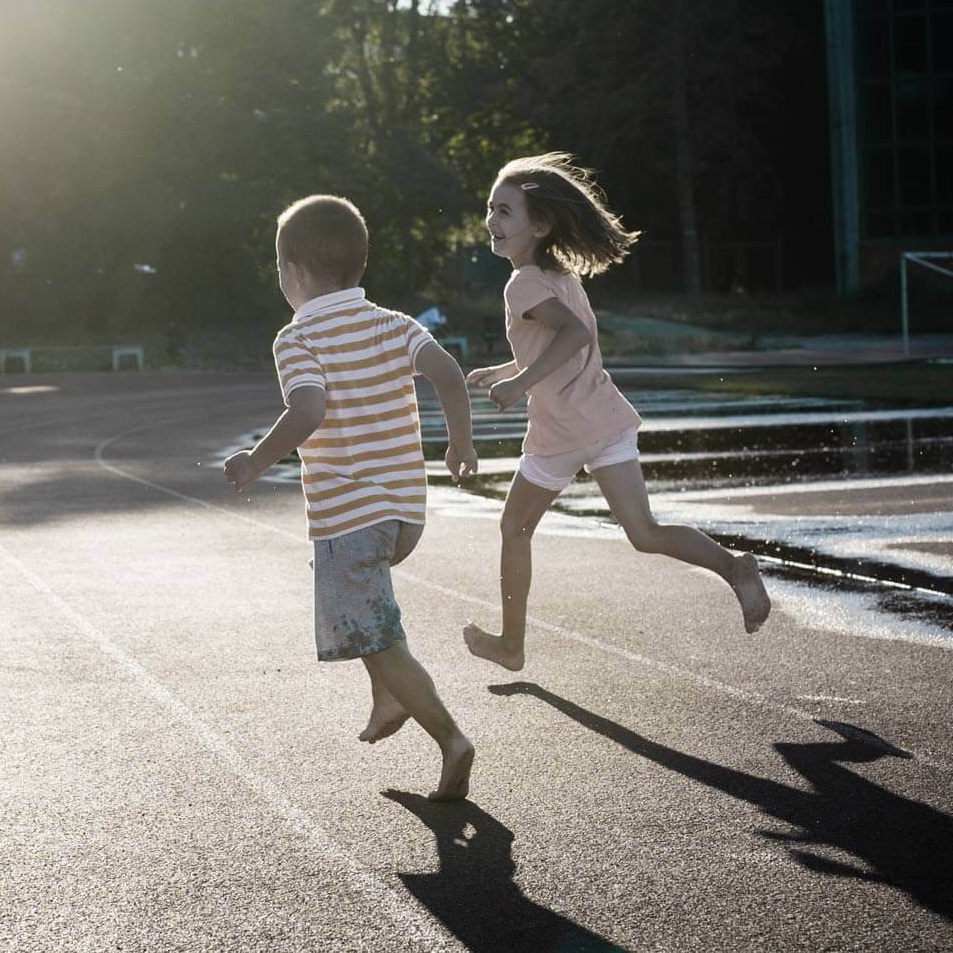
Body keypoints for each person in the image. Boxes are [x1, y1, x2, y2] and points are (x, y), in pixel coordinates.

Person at [461, 153, 771, 672]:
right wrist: (502, 371)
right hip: (604, 419)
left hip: (561, 431)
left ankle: (511, 645)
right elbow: (554, 345)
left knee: (514, 529)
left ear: (538, 225)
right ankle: (733, 568)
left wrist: (517, 385)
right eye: (491, 208)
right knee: (645, 533)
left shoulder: (523, 284)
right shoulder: (559, 276)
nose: (492, 219)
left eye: (506, 211)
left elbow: (573, 336)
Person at [223, 194, 480, 802]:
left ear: (292, 272)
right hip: (404, 513)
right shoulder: (396, 323)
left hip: (349, 517)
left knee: (376, 634)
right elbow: (447, 372)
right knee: (368, 618)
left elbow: (308, 407)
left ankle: (450, 737)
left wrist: (259, 459)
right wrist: (460, 442)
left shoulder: (296, 337)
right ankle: (389, 697)